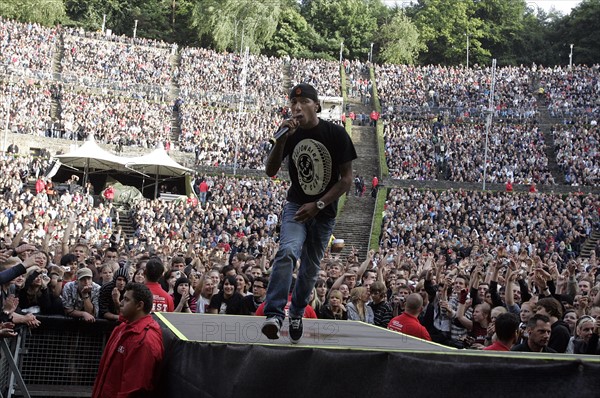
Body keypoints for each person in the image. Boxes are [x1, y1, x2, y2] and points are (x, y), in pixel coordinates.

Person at [262, 83, 357, 343]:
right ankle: (273, 314)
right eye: (293, 103)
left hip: (323, 212)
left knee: (311, 270)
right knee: (288, 251)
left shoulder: (336, 134)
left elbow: (346, 180)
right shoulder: (289, 134)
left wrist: (319, 205)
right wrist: (281, 140)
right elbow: (270, 171)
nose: (297, 107)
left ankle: (296, 313)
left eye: (303, 103)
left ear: (316, 105)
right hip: (296, 205)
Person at [92, 283, 164, 398]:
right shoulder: (123, 327)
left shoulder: (144, 341)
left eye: (126, 299)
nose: (120, 303)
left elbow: (134, 389)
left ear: (139, 305)